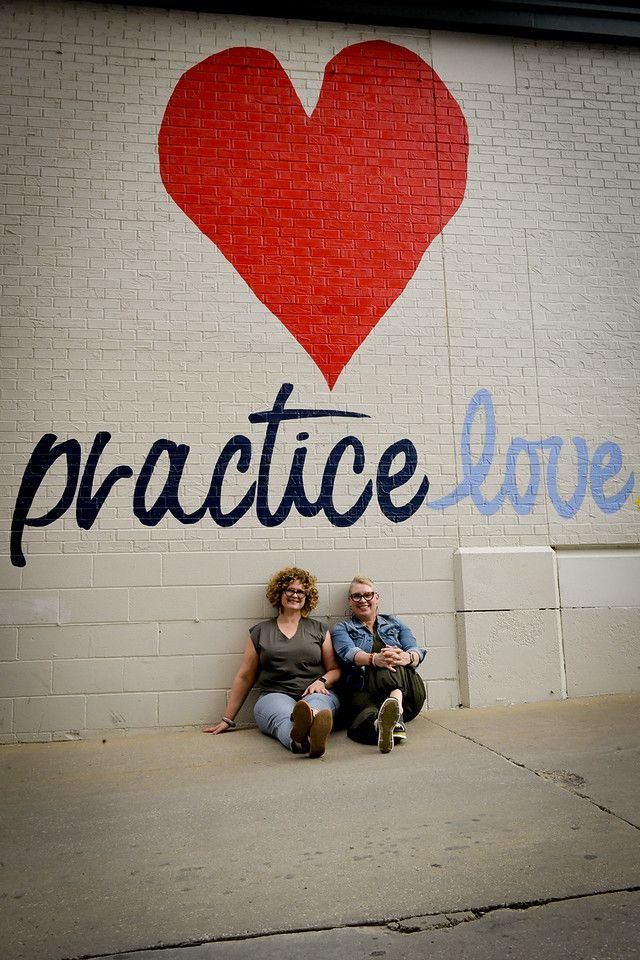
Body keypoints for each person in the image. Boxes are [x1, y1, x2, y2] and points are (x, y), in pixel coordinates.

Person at [204, 567, 340, 758]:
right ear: (279, 593)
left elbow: (334, 669)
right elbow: (245, 676)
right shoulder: (260, 631)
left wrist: (322, 681)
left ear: (307, 596)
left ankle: (310, 725)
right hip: (275, 694)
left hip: (315, 690)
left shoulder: (319, 629)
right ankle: (300, 738)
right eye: (290, 590)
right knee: (284, 718)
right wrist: (228, 719)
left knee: (317, 708)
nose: (295, 595)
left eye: (301, 591)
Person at [331, 575, 426, 753]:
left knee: (392, 656)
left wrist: (406, 657)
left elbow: (415, 649)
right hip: (364, 690)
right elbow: (348, 653)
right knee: (364, 716)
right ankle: (383, 725)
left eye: (368, 595)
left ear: (376, 597)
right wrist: (373, 659)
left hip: (408, 696)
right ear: (350, 601)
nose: (363, 600)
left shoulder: (394, 622)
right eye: (356, 596)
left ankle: (395, 709)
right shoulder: (342, 628)